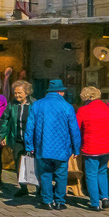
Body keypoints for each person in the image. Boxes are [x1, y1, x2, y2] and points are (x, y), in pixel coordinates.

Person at [25, 81, 80, 210]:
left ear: (49, 91)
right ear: (61, 92)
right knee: (61, 174)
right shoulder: (67, 107)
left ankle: (47, 201)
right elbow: (74, 130)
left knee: (45, 174)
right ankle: (60, 201)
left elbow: (29, 128)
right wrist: (76, 148)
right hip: (62, 148)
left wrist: (29, 146)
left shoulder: (37, 105)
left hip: (42, 147)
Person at [76, 86, 109, 211]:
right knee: (102, 171)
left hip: (91, 147)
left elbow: (77, 128)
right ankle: (105, 198)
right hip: (108, 145)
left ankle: (94, 203)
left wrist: (76, 146)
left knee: (91, 174)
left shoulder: (83, 110)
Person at [0, 81, 33, 197]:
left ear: (27, 92)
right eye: (15, 93)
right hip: (16, 138)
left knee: (35, 163)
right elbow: (4, 120)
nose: (17, 95)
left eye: (20, 93)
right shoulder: (12, 104)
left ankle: (39, 188)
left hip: (31, 140)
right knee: (19, 163)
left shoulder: (34, 104)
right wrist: (2, 135)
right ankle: (23, 188)